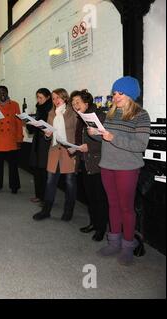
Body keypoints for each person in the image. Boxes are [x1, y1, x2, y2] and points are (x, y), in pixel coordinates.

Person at [89, 76, 150, 265]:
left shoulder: (141, 115)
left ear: (130, 94)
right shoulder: (110, 113)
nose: (115, 96)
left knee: (126, 209)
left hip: (127, 168)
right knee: (113, 205)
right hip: (107, 165)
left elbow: (140, 145)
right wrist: (96, 135)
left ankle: (127, 247)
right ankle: (114, 242)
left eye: (120, 93)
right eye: (114, 93)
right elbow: (106, 139)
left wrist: (112, 137)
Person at [68, 89, 108, 241]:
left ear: (86, 102)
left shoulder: (100, 116)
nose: (74, 106)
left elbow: (107, 141)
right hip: (85, 163)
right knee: (90, 197)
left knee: (100, 198)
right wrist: (76, 148)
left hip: (98, 164)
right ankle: (93, 223)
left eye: (77, 102)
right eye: (72, 104)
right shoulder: (81, 119)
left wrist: (88, 147)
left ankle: (101, 228)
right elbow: (82, 141)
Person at [33, 88, 78, 221]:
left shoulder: (73, 113)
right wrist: (47, 135)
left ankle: (68, 211)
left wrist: (76, 151)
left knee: (70, 182)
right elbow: (49, 135)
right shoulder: (51, 113)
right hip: (54, 151)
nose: (56, 101)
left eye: (58, 97)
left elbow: (77, 133)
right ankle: (46, 211)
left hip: (69, 151)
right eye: (53, 98)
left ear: (65, 98)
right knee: (50, 181)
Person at [0, 86, 23, 194]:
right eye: (0, 93)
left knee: (13, 166)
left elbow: (19, 123)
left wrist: (19, 138)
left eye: (4, 92)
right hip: (0, 139)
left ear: (7, 92)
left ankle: (14, 186)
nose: (2, 95)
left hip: (12, 139)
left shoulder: (15, 105)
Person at [26, 88, 52, 204]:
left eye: (41, 97)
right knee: (37, 170)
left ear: (47, 97)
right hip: (37, 141)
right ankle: (39, 195)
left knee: (44, 171)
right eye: (37, 97)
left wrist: (38, 124)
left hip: (46, 143)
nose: (38, 100)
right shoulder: (39, 108)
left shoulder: (50, 109)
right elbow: (33, 129)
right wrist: (29, 123)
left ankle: (45, 198)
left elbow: (50, 127)